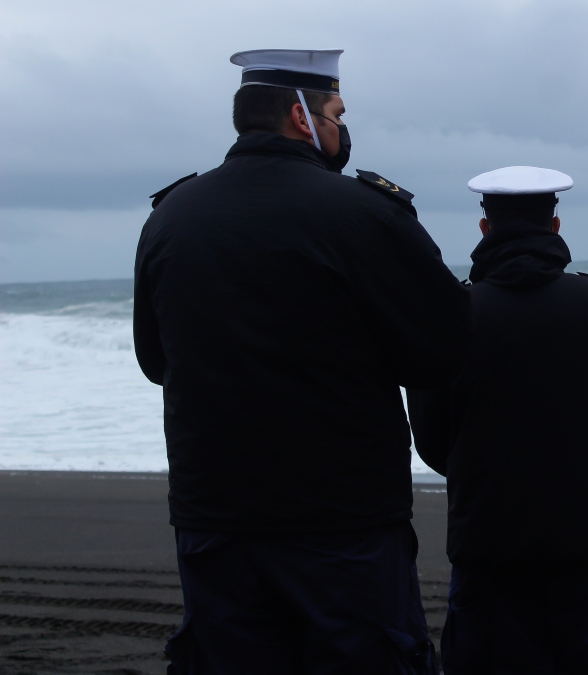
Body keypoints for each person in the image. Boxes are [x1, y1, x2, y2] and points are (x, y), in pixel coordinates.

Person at [133, 49, 470, 674]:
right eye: (337, 114)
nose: (344, 128)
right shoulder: (364, 212)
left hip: (215, 515)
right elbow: (444, 349)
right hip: (342, 519)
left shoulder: (171, 217)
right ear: (300, 115)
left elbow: (155, 360)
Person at [407, 166, 588, 674]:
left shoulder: (451, 313)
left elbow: (431, 443)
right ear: (555, 227)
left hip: (488, 550)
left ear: (484, 229)